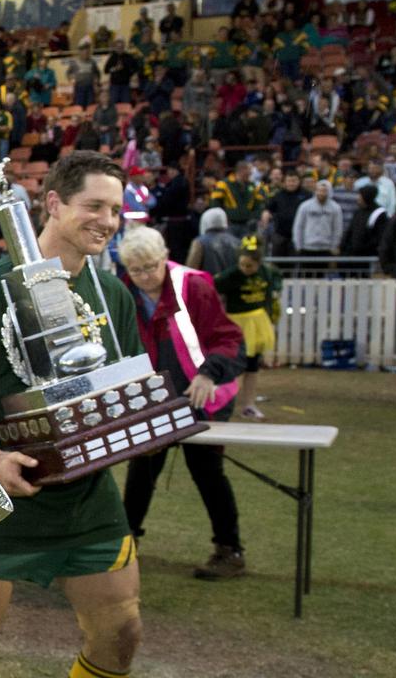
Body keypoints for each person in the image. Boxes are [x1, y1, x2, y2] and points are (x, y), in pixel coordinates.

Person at [0, 152, 145, 678]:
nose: (106, 220)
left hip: (87, 501)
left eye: (115, 210)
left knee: (120, 632)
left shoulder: (112, 293)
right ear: (53, 204)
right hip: (2, 498)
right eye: (93, 206)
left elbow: (121, 387)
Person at [116, 226, 249, 579]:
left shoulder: (194, 287)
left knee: (207, 472)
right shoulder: (124, 292)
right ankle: (127, 544)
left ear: (165, 258)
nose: (145, 276)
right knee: (141, 469)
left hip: (204, 396)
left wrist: (209, 372)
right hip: (154, 399)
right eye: (136, 269)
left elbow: (229, 339)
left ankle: (229, 549)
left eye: (150, 267)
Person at [214, 239, 282, 420]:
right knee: (233, 367)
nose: (245, 268)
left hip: (257, 322)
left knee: (252, 366)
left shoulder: (267, 273)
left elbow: (274, 288)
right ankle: (224, 404)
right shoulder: (231, 275)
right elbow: (214, 287)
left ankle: (249, 405)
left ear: (259, 264)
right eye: (242, 264)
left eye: (250, 265)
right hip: (236, 323)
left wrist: (273, 309)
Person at [262, 171, 310, 257]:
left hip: (299, 235)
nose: (291, 183)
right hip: (280, 234)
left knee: (295, 261)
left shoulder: (307, 195)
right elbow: (268, 208)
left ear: (299, 181)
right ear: (284, 182)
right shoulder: (278, 195)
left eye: (294, 181)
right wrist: (266, 213)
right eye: (289, 181)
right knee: (277, 261)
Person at [292, 180, 345, 257]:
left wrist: (334, 246)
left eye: (324, 191)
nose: (321, 193)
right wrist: (298, 245)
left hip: (326, 248)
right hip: (307, 247)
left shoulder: (336, 208)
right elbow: (298, 226)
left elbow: (337, 229)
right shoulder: (305, 206)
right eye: (319, 190)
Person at [186, 207, 241, 275]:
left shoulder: (199, 242)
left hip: (207, 284)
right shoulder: (237, 242)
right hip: (231, 285)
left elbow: (190, 271)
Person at [341, 184, 389, 256]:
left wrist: (362, 247)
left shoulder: (379, 213)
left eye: (360, 196)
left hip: (368, 255)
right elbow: (350, 231)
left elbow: (378, 238)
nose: (358, 198)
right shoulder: (358, 212)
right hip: (352, 254)